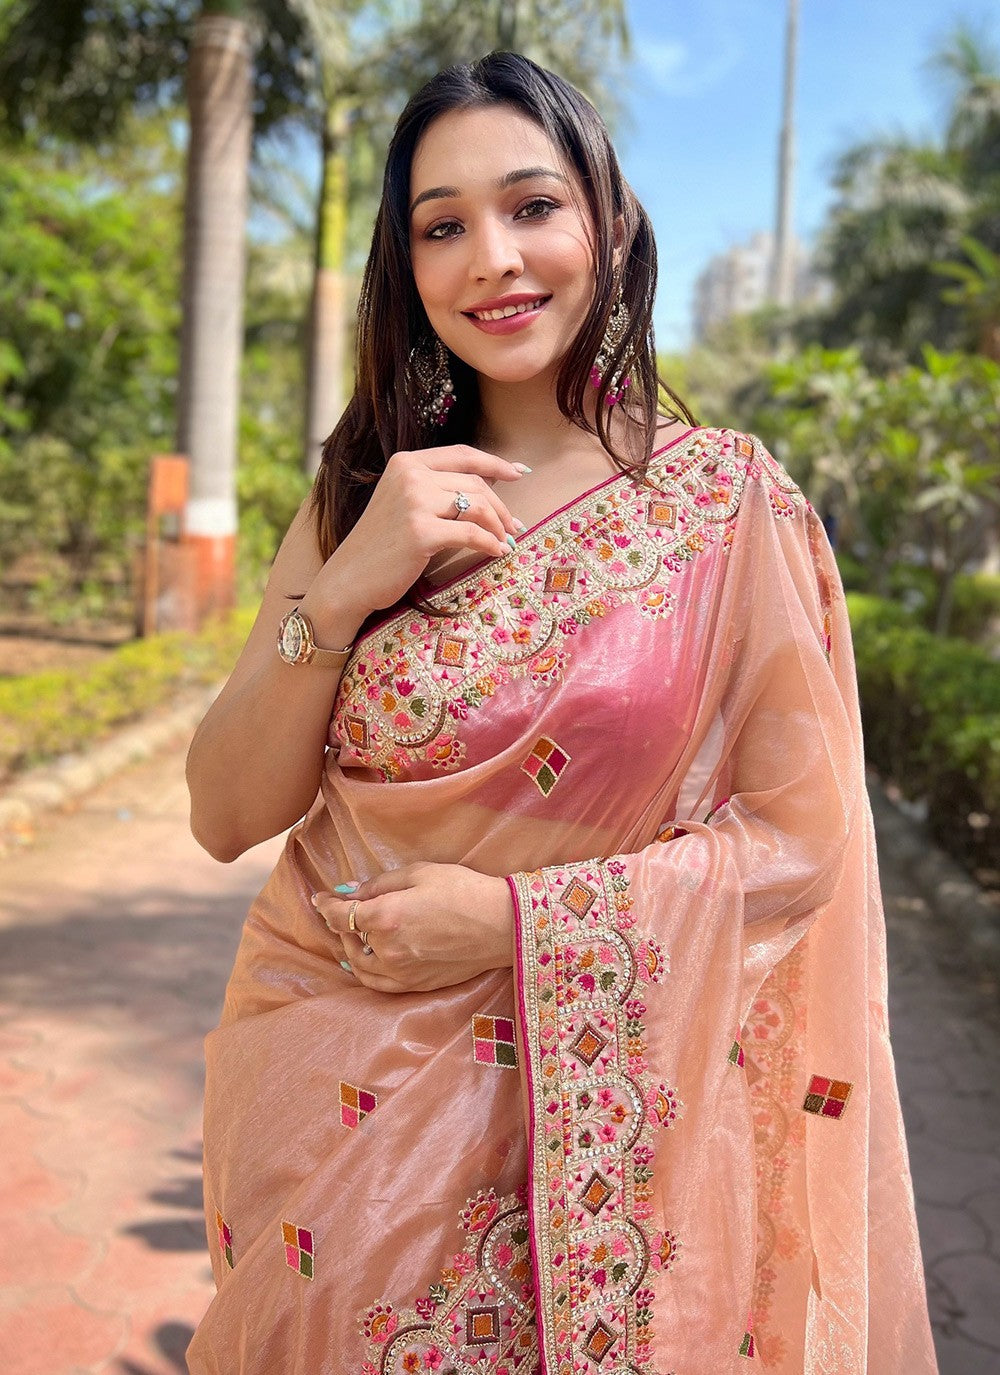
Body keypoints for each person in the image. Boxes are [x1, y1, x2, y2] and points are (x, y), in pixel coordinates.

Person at [184, 51, 938, 1375]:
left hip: (613, 1162)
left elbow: (799, 845)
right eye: (443, 226)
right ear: (406, 264)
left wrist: (515, 924)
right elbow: (225, 813)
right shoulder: (360, 488)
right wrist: (348, 585)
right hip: (332, 1131)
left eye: (533, 206)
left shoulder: (726, 508)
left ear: (611, 227)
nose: (493, 259)